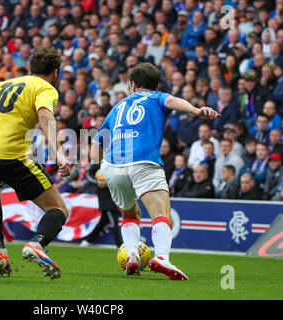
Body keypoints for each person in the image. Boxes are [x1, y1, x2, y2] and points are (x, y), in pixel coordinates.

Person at [91, 63, 220, 278]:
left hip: (112, 166)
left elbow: (97, 144)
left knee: (130, 214)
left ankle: (132, 254)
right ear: (156, 85)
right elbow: (172, 101)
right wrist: (197, 110)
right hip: (143, 161)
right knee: (161, 214)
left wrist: (97, 168)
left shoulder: (118, 106)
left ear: (132, 85)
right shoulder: (157, 97)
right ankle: (161, 257)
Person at [0, 47, 71, 279]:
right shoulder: (45, 88)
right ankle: (37, 245)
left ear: (31, 68)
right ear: (56, 73)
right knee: (57, 209)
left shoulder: (3, 84)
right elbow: (44, 115)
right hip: (9, 156)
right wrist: (59, 153)